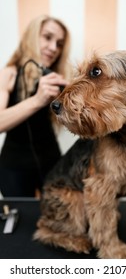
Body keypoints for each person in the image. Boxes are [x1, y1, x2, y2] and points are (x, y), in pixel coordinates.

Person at [0, 14, 71, 197]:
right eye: (48, 37)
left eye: (60, 43)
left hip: (52, 160)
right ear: (33, 36)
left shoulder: (55, 79)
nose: (54, 48)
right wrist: (38, 100)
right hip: (13, 167)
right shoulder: (8, 75)